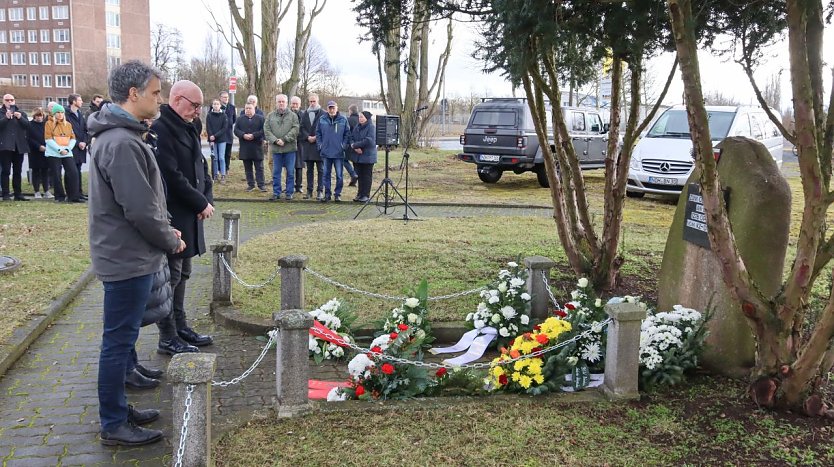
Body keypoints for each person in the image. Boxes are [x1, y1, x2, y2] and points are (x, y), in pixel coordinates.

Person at [87, 60, 181, 446]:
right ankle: (113, 422)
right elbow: (139, 209)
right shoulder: (121, 142)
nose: (160, 99)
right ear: (133, 94)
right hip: (126, 258)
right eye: (156, 93)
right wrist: (170, 239)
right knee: (117, 343)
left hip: (126, 253)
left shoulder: (121, 137)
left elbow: (143, 202)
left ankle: (119, 410)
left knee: (121, 341)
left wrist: (165, 228)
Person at [151, 80, 215, 354]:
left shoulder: (189, 125)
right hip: (175, 212)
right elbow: (170, 174)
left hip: (190, 212)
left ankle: (181, 326)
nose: (198, 111)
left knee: (184, 272)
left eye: (200, 106)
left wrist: (206, 198)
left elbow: (201, 166)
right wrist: (199, 201)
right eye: (194, 105)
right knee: (172, 276)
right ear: (177, 99)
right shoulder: (162, 130)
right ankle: (168, 336)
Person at [264, 94, 300, 201]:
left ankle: (289, 192)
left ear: (286, 103)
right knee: (276, 172)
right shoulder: (270, 116)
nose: (281, 103)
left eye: (283, 102)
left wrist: (284, 139)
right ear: (276, 103)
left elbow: (295, 129)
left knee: (290, 172)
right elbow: (266, 130)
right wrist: (275, 140)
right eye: (279, 101)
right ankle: (276, 192)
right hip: (276, 149)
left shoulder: (293, 116)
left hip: (289, 149)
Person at [45, 105, 83, 203]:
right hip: (54, 153)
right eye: (58, 112)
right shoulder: (49, 124)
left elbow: (73, 138)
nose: (60, 114)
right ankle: (59, 196)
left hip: (67, 152)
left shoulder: (68, 124)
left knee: (73, 173)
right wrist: (59, 149)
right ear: (54, 113)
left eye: (62, 112)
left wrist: (67, 148)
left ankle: (73, 196)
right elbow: (48, 139)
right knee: (57, 175)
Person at [316, 100, 350, 202]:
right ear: (327, 109)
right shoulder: (322, 119)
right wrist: (320, 145)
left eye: (333, 108)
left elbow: (347, 133)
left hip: (338, 152)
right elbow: (318, 133)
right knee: (326, 174)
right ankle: (327, 194)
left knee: (339, 175)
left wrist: (344, 145)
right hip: (326, 152)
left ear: (337, 108)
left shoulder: (343, 119)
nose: (332, 110)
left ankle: (337, 194)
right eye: (330, 108)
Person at [0, 94, 30, 201]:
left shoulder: (21, 113)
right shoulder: (1, 113)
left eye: (11, 100)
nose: (9, 102)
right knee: (5, 171)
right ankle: (5, 194)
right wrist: (6, 118)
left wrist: (20, 118)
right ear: (3, 101)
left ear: (14, 101)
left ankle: (18, 194)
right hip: (5, 146)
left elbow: (28, 126)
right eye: (7, 100)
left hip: (19, 146)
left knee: (18, 171)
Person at [234, 103, 266, 192]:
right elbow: (236, 130)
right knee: (248, 168)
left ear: (254, 109)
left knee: (259, 167)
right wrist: (243, 135)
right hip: (245, 147)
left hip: (257, 146)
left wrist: (254, 135)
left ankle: (261, 184)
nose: (248, 110)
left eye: (250, 108)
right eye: (246, 108)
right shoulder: (240, 119)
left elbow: (264, 130)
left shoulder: (261, 119)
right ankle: (251, 184)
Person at [299, 94, 324, 200]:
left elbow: (325, 129)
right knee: (309, 170)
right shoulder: (305, 114)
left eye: (314, 101)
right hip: (308, 145)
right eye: (310, 101)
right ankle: (309, 191)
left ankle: (320, 191)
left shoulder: (323, 114)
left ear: (317, 101)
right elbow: (302, 128)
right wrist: (307, 137)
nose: (312, 103)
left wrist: (316, 137)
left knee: (321, 170)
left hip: (319, 146)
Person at [350, 111, 378, 203]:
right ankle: (359, 194)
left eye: (362, 117)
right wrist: (354, 147)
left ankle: (365, 195)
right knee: (359, 176)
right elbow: (351, 137)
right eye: (359, 117)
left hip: (367, 156)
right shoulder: (357, 127)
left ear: (367, 118)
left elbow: (369, 140)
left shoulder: (371, 127)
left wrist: (356, 145)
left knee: (366, 176)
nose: (360, 119)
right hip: (357, 156)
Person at [67, 94, 89, 200]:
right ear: (73, 101)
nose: (82, 102)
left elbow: (85, 130)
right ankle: (72, 195)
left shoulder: (80, 114)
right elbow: (67, 132)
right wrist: (77, 143)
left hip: (81, 147)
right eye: (79, 100)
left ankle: (79, 193)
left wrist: (84, 142)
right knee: (72, 171)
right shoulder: (66, 115)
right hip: (72, 147)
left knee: (78, 170)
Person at [27, 108, 52, 199]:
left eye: (41, 115)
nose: (39, 117)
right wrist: (38, 146)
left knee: (45, 171)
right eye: (37, 116)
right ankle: (36, 191)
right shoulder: (29, 125)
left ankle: (46, 191)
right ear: (34, 116)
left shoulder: (46, 124)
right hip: (34, 152)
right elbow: (29, 138)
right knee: (36, 171)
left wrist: (46, 146)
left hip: (46, 150)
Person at [206, 98, 229, 183]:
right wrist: (211, 136)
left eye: (217, 104)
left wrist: (215, 136)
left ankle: (223, 174)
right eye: (214, 104)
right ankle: (215, 174)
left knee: (221, 158)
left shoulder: (224, 116)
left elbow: (224, 128)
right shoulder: (209, 115)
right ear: (212, 105)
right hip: (212, 140)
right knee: (215, 158)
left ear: (220, 105)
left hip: (222, 139)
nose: (216, 105)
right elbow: (208, 127)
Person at [290, 96, 305, 195]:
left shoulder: (303, 115)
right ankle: (289, 185)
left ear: (299, 105)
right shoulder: (286, 114)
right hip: (288, 143)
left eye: (296, 104)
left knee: (299, 166)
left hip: (300, 143)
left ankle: (299, 186)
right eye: (293, 103)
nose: (294, 105)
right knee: (289, 166)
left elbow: (304, 129)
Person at [219, 91, 236, 174]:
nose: (226, 99)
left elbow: (234, 119)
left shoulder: (232, 107)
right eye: (224, 97)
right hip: (219, 134)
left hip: (228, 133)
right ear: (220, 98)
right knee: (220, 154)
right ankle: (219, 169)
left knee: (228, 153)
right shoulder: (216, 106)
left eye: (227, 97)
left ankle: (226, 168)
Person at [344, 104, 360, 187]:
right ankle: (355, 179)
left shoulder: (348, 120)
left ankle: (353, 174)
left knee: (344, 160)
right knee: (355, 162)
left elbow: (346, 132)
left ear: (350, 111)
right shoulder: (361, 119)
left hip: (350, 144)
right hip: (359, 143)